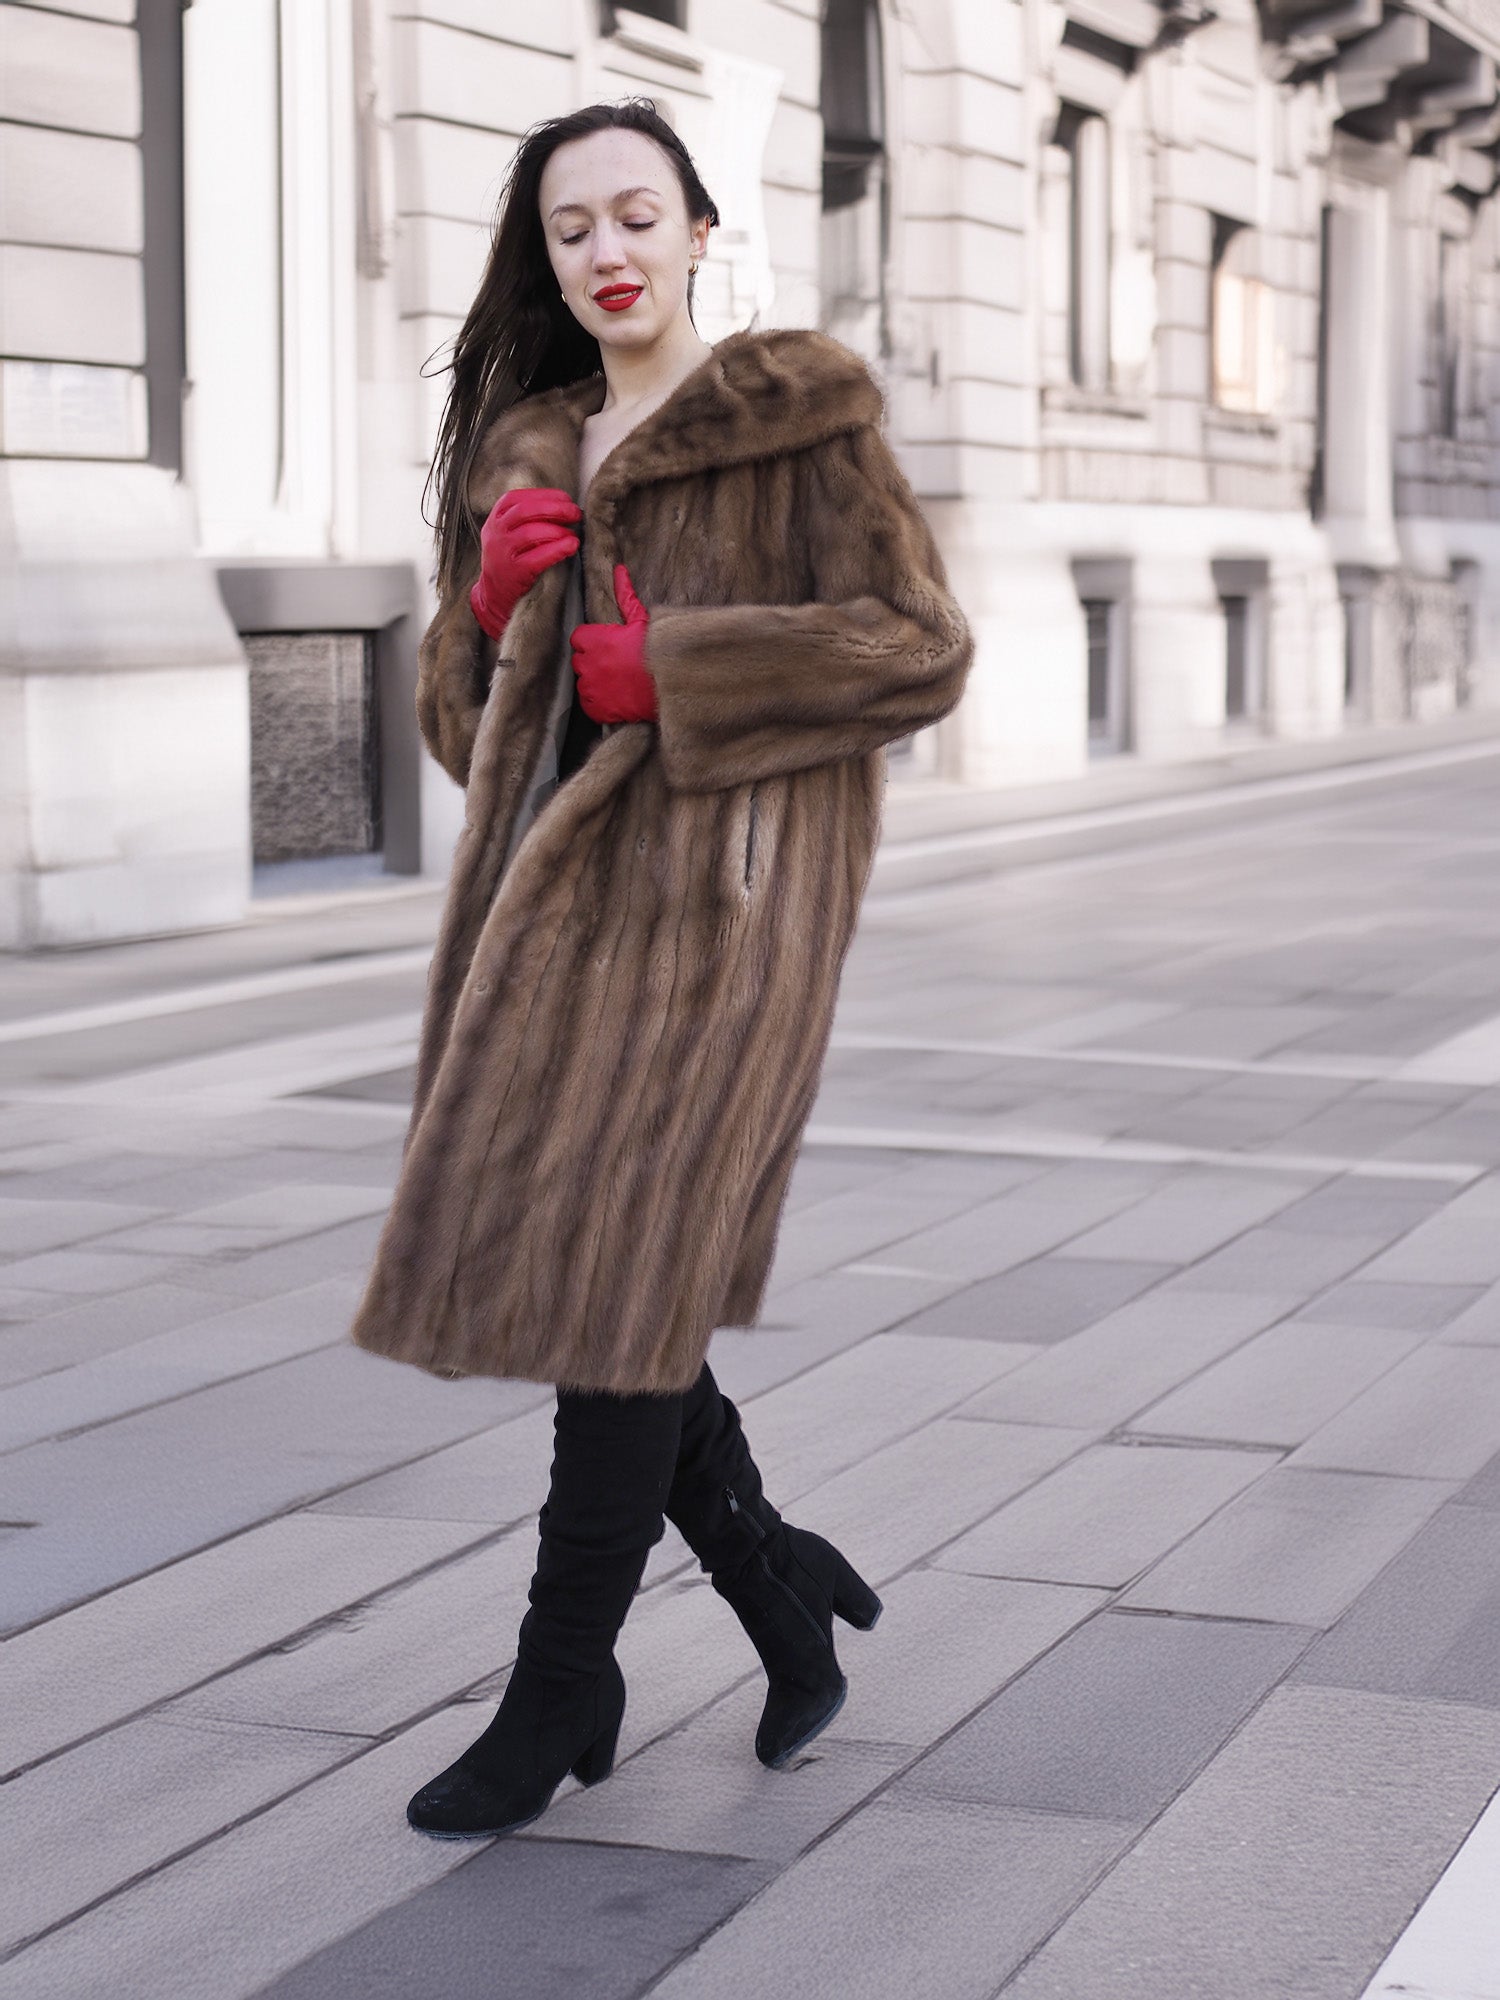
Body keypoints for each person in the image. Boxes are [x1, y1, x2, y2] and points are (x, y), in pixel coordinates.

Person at [350, 98, 973, 1839]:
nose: (607, 252)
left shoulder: (799, 422)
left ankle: (561, 1685)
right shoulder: (530, 448)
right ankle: (783, 1598)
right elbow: (486, 747)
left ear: (700, 229)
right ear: (546, 259)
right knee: (606, 1294)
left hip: (725, 932)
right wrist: (479, 616)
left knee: (618, 1298)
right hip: (548, 941)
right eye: (571, 230)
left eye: (638, 215)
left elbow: (918, 648)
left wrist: (676, 672)